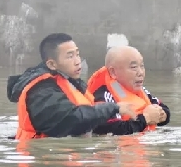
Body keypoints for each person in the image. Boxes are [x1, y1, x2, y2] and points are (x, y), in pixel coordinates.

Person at [7, 33, 136, 140]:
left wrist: (137, 123)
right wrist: (112, 108)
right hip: (44, 159)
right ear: (52, 64)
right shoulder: (41, 90)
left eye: (77, 54)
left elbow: (92, 122)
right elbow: (70, 120)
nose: (77, 61)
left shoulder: (71, 82)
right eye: (70, 56)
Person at [86, 45, 171, 136]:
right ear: (113, 72)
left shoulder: (140, 90)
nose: (140, 72)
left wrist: (161, 115)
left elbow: (164, 109)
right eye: (134, 67)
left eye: (142, 66)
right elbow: (110, 129)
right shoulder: (103, 96)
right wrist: (146, 118)